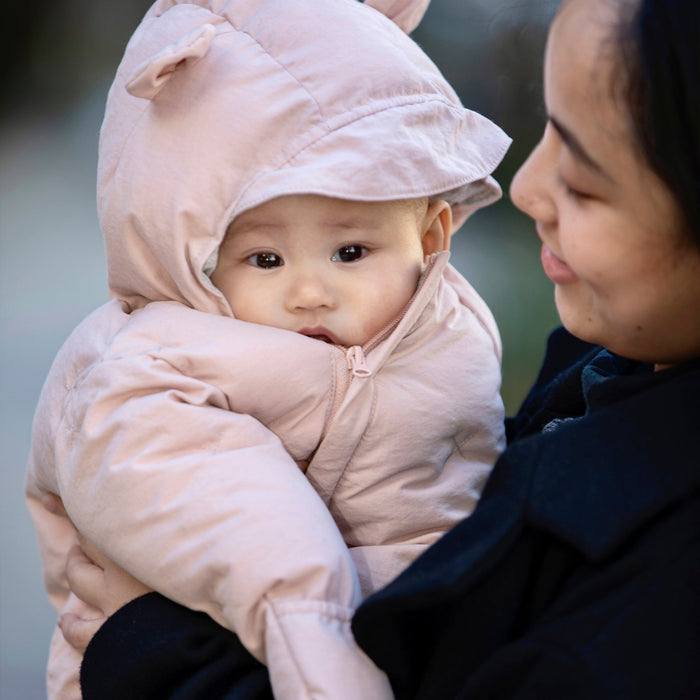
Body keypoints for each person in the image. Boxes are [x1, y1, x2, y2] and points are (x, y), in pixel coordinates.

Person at [57, 0, 700, 697]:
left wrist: (149, 642)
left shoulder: (657, 605)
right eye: (547, 128)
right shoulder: (595, 368)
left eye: (584, 178)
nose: (525, 187)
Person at [25, 0, 512, 698]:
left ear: (431, 238)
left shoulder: (448, 324)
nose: (309, 293)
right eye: (263, 260)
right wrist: (331, 670)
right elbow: (263, 547)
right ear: (194, 262)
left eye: (350, 251)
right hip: (224, 664)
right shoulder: (153, 371)